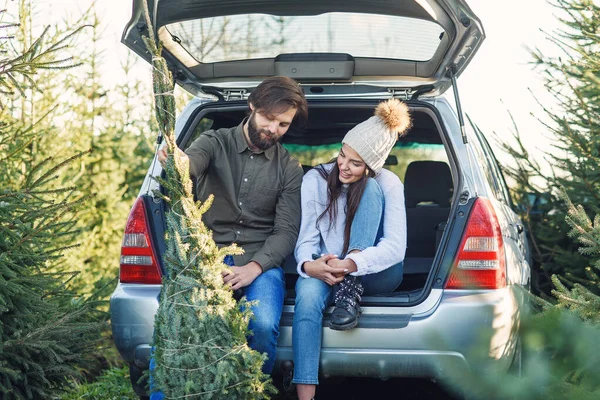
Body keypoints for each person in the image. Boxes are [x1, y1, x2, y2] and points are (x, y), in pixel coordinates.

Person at [157, 76, 308, 375]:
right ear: (252, 106)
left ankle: (250, 389)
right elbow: (192, 163)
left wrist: (254, 268)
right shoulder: (214, 142)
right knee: (177, 328)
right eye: (268, 118)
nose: (273, 130)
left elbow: (286, 232)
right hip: (203, 259)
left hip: (259, 263)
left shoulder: (290, 169)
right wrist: (178, 161)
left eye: (283, 125)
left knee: (263, 325)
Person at [292, 98, 411, 400]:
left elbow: (396, 248)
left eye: (356, 163)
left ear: (372, 166)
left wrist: (352, 265)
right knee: (306, 300)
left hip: (374, 273)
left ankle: (352, 287)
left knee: (369, 191)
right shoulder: (315, 180)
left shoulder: (386, 184)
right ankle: (305, 394)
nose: (343, 166)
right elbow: (305, 239)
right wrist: (308, 266)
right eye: (343, 155)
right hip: (325, 268)